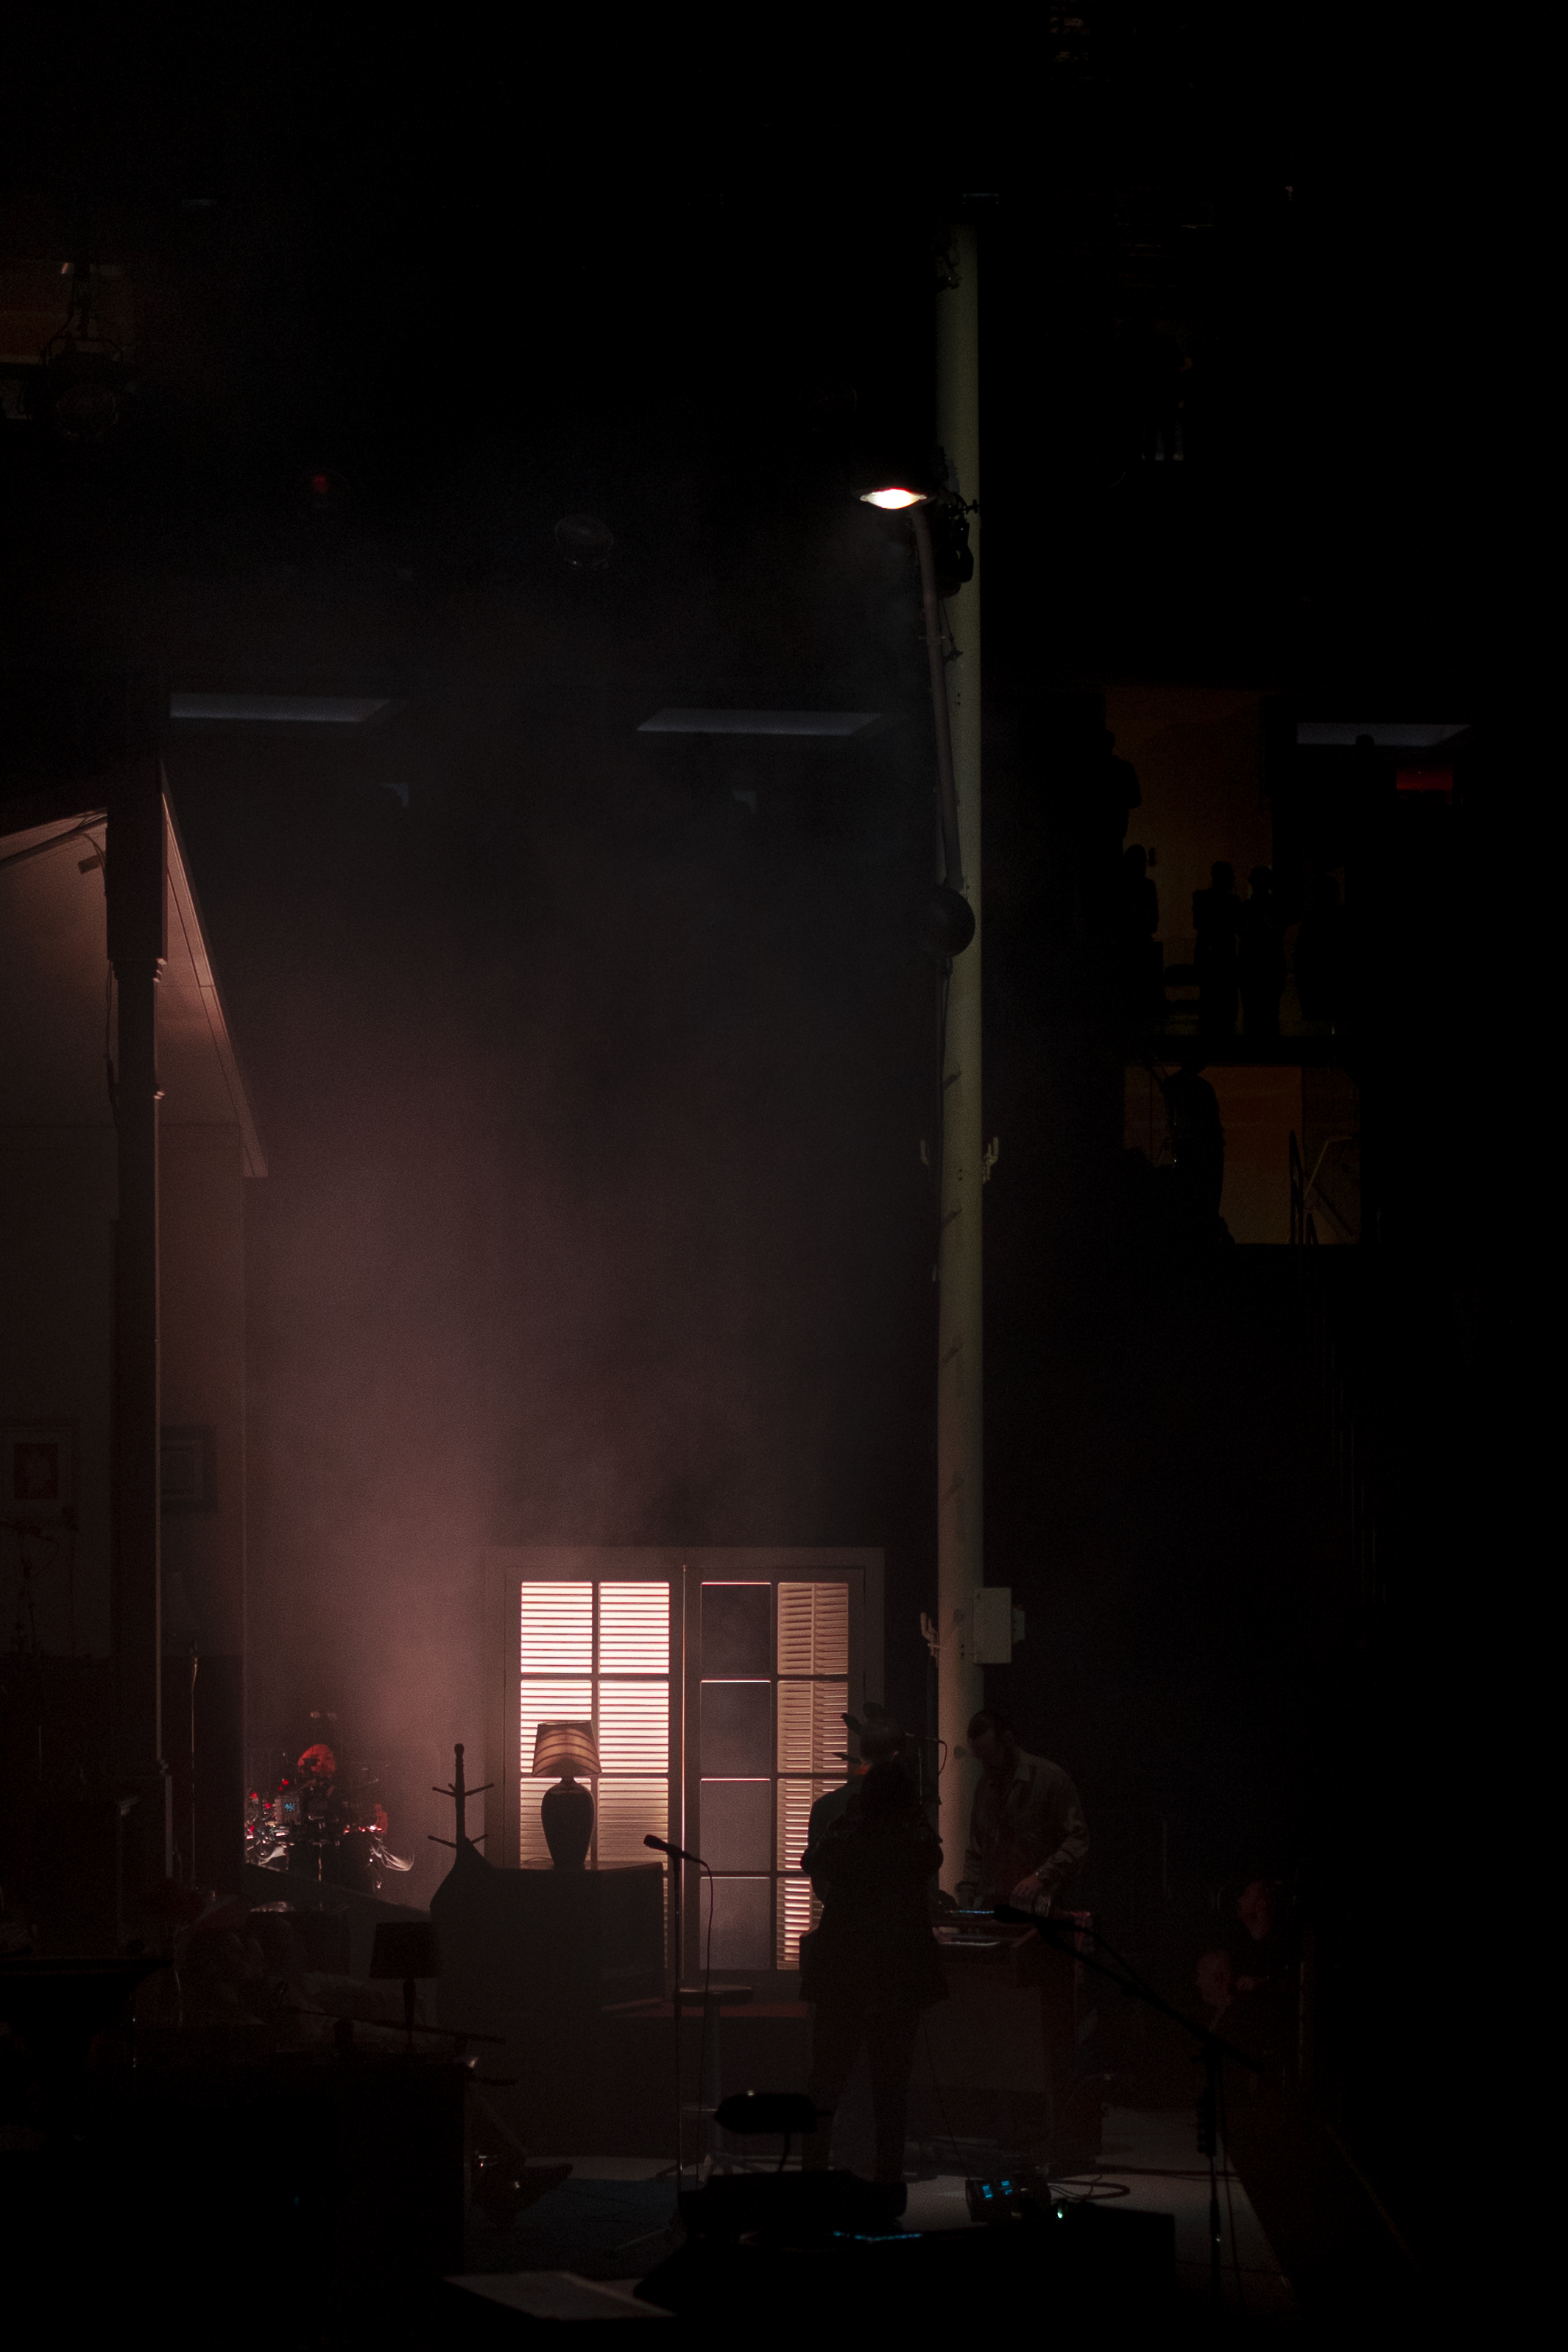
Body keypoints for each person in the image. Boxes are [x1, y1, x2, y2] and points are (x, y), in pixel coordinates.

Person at [799, 1762, 946, 2187]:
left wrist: (848, 1818)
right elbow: (933, 1856)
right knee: (891, 2091)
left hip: (843, 1976)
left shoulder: (849, 1837)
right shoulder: (911, 1842)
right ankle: (888, 2181)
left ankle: (812, 2177)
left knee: (825, 2085)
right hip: (898, 1978)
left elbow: (812, 1861)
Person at [956, 1709, 1089, 1913]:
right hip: (995, 1906)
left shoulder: (1050, 1779)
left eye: (989, 1756)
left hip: (1040, 1906)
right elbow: (977, 1848)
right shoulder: (985, 1786)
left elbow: (1077, 1839)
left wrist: (1041, 1877)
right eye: (979, 1758)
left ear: (1007, 1741)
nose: (984, 1764)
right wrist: (966, 1895)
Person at [1192, 860, 1240, 1038]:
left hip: (1208, 954)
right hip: (1224, 956)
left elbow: (1201, 924)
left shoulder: (1201, 897)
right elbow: (1235, 926)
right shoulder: (1233, 902)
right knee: (1226, 1003)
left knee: (1209, 1000)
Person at [1237, 865, 1287, 1037]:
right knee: (1269, 1013)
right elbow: (1277, 930)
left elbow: (1243, 931)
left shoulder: (1248, 907)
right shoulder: (1274, 905)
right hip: (1269, 965)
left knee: (1253, 1013)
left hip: (1253, 965)